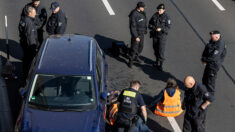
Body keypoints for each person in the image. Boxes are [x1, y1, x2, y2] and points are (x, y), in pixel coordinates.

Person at [201, 30, 226, 96]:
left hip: (213, 66)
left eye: (212, 38)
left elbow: (214, 58)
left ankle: (209, 97)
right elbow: (207, 47)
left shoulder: (219, 45)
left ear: (217, 37)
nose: (211, 39)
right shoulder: (213, 40)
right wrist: (203, 58)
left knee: (210, 82)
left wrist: (204, 59)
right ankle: (203, 91)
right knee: (204, 78)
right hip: (209, 63)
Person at [148, 4, 171, 71]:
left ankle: (160, 65)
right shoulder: (155, 15)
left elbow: (168, 27)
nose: (159, 11)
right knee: (155, 49)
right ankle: (156, 61)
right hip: (155, 35)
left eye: (160, 10)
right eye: (158, 10)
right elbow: (150, 23)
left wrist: (161, 29)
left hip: (162, 36)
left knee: (161, 50)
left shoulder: (167, 17)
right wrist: (152, 27)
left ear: (164, 10)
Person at [18, 6, 39, 79]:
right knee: (30, 61)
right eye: (34, 13)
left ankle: (25, 73)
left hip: (24, 43)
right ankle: (28, 76)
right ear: (29, 13)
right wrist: (34, 48)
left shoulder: (23, 19)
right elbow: (30, 37)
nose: (35, 14)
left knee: (25, 60)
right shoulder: (29, 22)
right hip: (29, 46)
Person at [128, 2, 147, 68]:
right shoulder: (134, 14)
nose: (144, 8)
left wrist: (145, 30)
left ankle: (136, 57)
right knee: (134, 48)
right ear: (139, 7)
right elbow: (132, 27)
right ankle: (130, 60)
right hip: (136, 34)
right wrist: (136, 36)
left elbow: (145, 21)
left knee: (141, 46)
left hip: (142, 33)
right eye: (143, 7)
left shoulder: (143, 13)